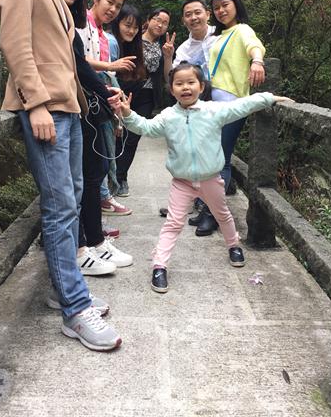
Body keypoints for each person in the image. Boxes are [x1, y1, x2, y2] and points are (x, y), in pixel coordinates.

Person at [0, 0, 121, 351]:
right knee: (61, 205)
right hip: (46, 108)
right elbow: (15, 43)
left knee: (74, 198)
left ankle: (63, 288)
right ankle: (74, 308)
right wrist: (36, 103)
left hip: (68, 108)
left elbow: (66, 57)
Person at [118, 62, 291, 293]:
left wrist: (268, 98)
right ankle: (159, 265)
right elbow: (146, 128)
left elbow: (241, 105)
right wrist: (128, 114)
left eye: (191, 82)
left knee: (222, 214)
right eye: (179, 83)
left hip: (211, 179)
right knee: (173, 223)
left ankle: (233, 245)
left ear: (201, 86)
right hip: (182, 182)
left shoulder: (213, 111)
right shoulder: (168, 116)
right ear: (171, 90)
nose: (185, 87)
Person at [52, 0, 133, 273]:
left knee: (91, 174)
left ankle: (94, 241)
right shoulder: (70, 21)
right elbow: (78, 64)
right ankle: (83, 246)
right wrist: (105, 85)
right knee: (79, 179)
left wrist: (105, 91)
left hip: (85, 105)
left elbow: (81, 66)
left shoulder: (80, 24)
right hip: (67, 105)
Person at [76, 0, 135, 216]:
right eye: (110, 2)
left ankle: (100, 204)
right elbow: (78, 60)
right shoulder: (81, 23)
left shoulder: (102, 33)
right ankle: (100, 202)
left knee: (99, 156)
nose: (112, 9)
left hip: (97, 97)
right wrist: (111, 66)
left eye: (118, 6)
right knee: (95, 158)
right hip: (83, 99)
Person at [167, 0, 219, 234]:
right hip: (198, 108)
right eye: (188, 14)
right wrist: (168, 57)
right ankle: (203, 206)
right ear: (183, 20)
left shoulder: (222, 36)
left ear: (207, 13)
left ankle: (212, 214)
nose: (194, 17)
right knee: (200, 154)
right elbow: (174, 78)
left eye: (197, 12)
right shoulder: (184, 49)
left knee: (219, 156)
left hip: (223, 103)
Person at [208, 0, 266, 193]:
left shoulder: (242, 29)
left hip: (232, 102)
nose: (220, 11)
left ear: (236, 5)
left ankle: (212, 208)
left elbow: (254, 45)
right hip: (215, 104)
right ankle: (205, 201)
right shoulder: (221, 35)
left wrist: (257, 61)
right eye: (216, 8)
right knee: (212, 156)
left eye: (225, 5)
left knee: (221, 158)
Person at [114, 7, 175, 197]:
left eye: (165, 23)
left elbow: (168, 76)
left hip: (146, 97)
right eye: (157, 19)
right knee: (117, 135)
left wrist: (168, 56)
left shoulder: (164, 47)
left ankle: (121, 178)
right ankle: (110, 176)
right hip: (125, 91)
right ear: (148, 20)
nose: (160, 25)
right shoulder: (132, 39)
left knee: (133, 137)